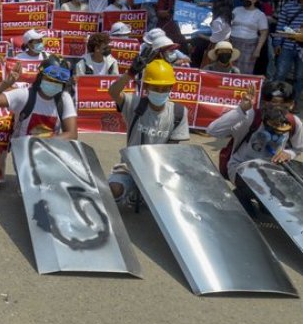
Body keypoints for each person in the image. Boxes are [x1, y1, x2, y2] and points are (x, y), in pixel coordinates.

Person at [207, 81, 303, 216]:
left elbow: (298, 148)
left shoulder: (294, 123)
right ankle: (242, 198)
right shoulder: (251, 116)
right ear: (264, 103)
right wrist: (241, 110)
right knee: (251, 206)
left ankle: (264, 204)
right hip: (241, 168)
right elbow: (212, 131)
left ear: (292, 105)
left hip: (270, 172)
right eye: (274, 104)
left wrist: (288, 153)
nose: (278, 110)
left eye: (284, 105)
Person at [107, 58, 189, 206]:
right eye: (156, 88)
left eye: (165, 89)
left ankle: (142, 195)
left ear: (171, 88)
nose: (161, 92)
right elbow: (113, 92)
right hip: (129, 167)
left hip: (158, 170)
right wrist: (130, 73)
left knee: (178, 199)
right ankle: (132, 191)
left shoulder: (179, 112)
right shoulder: (134, 104)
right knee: (113, 189)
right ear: (146, 87)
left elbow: (172, 152)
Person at [0, 56, 77, 139]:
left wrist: (43, 141)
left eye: (58, 82)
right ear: (40, 77)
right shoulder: (25, 95)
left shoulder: (64, 99)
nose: (54, 84)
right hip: (23, 153)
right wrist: (5, 84)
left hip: (50, 152)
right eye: (50, 80)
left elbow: (72, 134)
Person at [274, 0, 303, 107]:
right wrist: (277, 44)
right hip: (287, 45)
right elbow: (281, 25)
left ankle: (293, 103)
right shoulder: (288, 6)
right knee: (280, 74)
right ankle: (273, 100)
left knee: (300, 77)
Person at [230, 0, 268, 74]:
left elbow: (264, 33)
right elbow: (228, 24)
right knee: (230, 67)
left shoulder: (260, 14)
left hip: (249, 45)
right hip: (232, 42)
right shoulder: (236, 10)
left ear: (255, 0)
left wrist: (258, 49)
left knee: (245, 70)